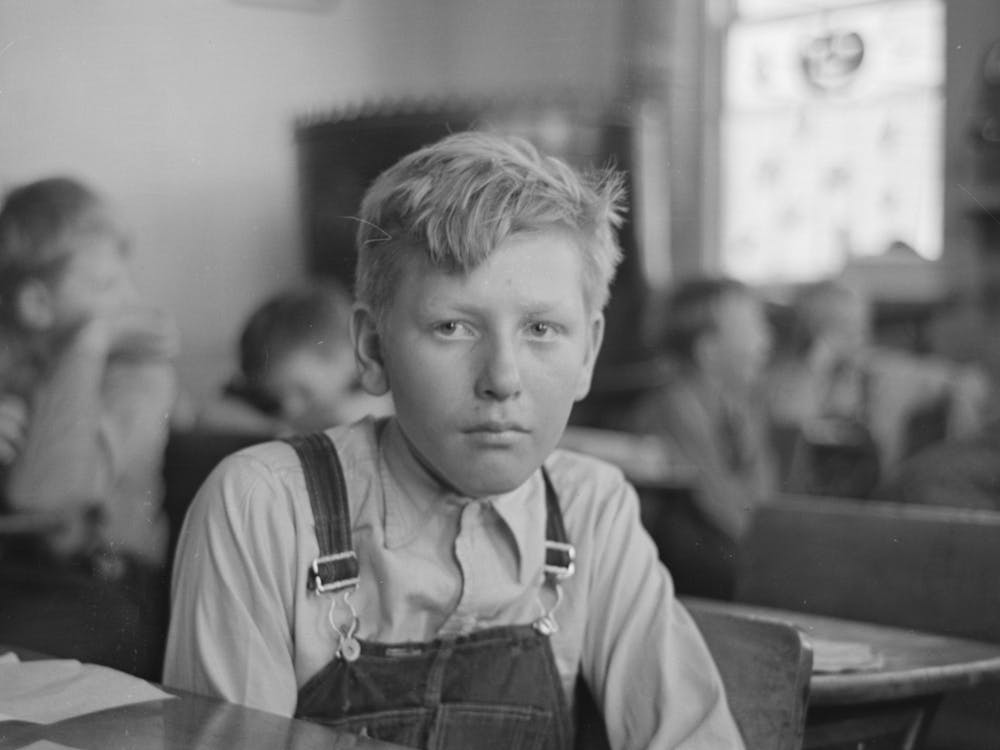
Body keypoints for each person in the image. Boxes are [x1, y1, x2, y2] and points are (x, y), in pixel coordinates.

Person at [163, 132, 744, 749]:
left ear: (589, 353)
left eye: (542, 329)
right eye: (452, 327)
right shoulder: (264, 507)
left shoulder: (591, 508)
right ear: (372, 348)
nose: (502, 379)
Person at [0, 176, 179, 678]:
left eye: (127, 277)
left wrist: (90, 342)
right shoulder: (14, 356)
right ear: (35, 305)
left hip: (101, 589)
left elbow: (47, 496)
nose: (130, 298)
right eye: (104, 285)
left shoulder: (138, 371)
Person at [621, 277, 776, 599]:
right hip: (690, 576)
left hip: (734, 550)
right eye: (752, 328)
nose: (766, 341)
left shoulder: (740, 406)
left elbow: (761, 493)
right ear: (708, 351)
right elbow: (715, 504)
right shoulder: (672, 406)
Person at [765, 278, 989, 498]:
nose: (856, 337)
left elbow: (970, 381)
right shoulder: (787, 382)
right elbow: (788, 425)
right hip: (805, 507)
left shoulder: (885, 372)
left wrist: (957, 429)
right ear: (813, 334)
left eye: (859, 326)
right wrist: (817, 365)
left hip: (876, 505)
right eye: (839, 327)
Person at [197, 280, 391, 437]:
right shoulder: (275, 404)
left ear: (346, 357)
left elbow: (362, 414)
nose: (291, 408)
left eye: (303, 391)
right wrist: (275, 427)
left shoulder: (376, 392)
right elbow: (210, 414)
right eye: (276, 397)